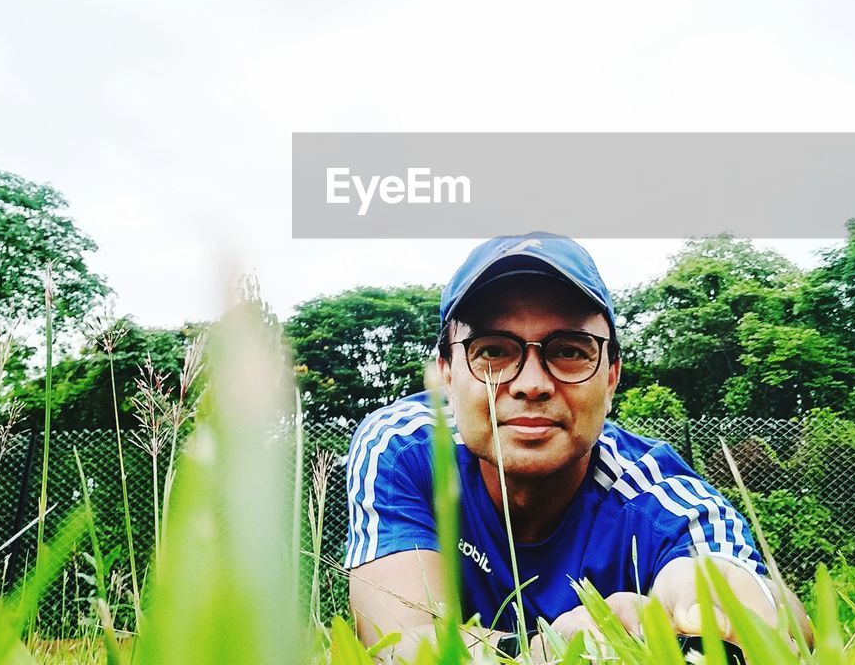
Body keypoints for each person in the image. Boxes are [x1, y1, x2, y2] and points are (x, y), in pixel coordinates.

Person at [345, 232, 811, 659]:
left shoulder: (658, 497)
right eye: (492, 350)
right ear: (447, 373)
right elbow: (404, 641)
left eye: (569, 350)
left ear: (611, 377)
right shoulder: (403, 448)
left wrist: (725, 599)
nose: (531, 384)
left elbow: (772, 608)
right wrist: (555, 651)